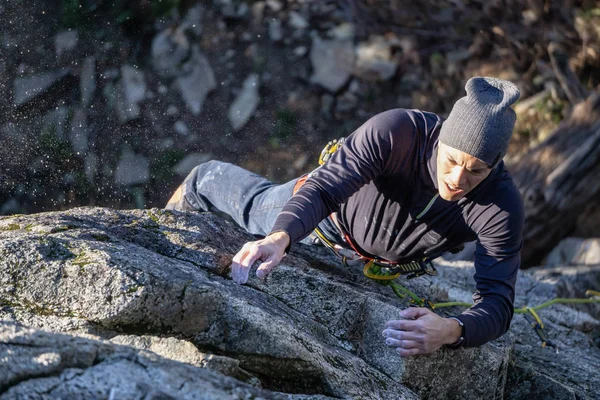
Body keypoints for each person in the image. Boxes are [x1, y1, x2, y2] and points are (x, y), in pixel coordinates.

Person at [165, 76, 523, 356]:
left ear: (494, 167)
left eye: (476, 171)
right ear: (442, 138)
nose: (458, 179)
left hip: (379, 266)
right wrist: (281, 236)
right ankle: (197, 184)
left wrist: (452, 330)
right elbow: (324, 190)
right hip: (321, 221)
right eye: (453, 161)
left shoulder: (500, 204)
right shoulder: (398, 132)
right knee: (249, 203)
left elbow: (497, 301)